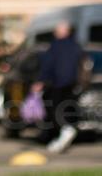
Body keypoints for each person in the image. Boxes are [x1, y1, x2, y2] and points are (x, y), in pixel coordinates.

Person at [31, 21, 83, 153]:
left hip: (58, 84)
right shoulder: (76, 46)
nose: (55, 31)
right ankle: (66, 131)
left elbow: (48, 65)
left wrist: (40, 81)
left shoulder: (55, 46)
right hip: (73, 85)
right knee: (69, 110)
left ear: (64, 31)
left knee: (55, 111)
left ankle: (64, 132)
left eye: (57, 29)